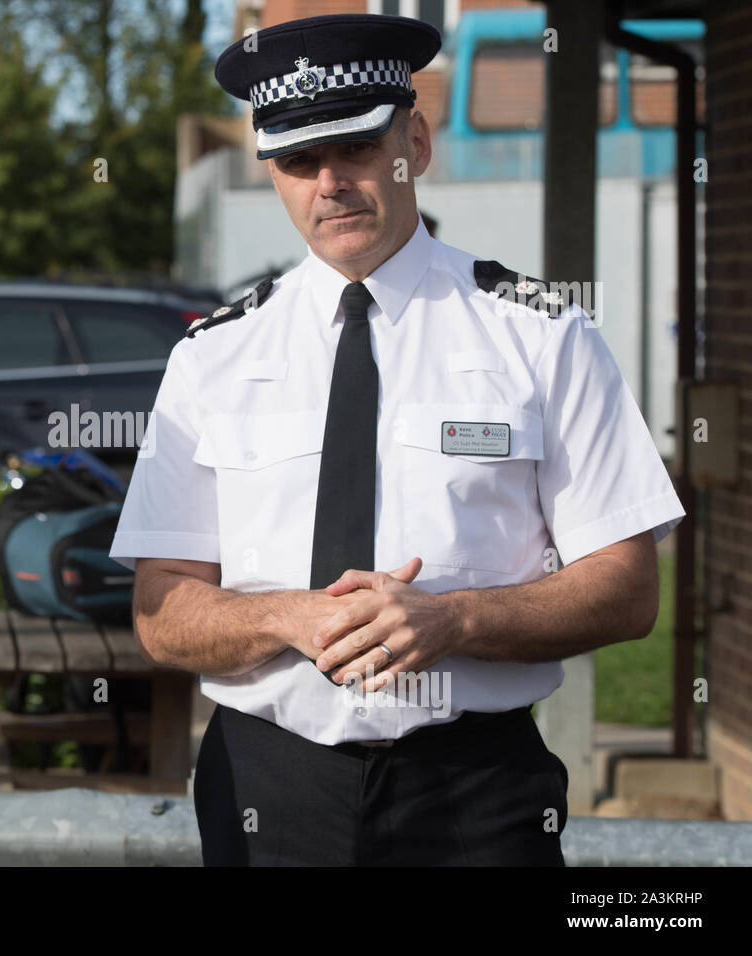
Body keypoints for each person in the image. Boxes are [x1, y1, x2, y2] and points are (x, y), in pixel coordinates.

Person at [108, 13, 685, 866]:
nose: (330, 182)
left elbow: (629, 589)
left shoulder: (540, 334)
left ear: (415, 138)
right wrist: (290, 617)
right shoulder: (213, 355)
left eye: (357, 148)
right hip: (269, 789)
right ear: (272, 172)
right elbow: (163, 612)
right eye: (299, 160)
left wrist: (454, 620)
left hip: (476, 794)